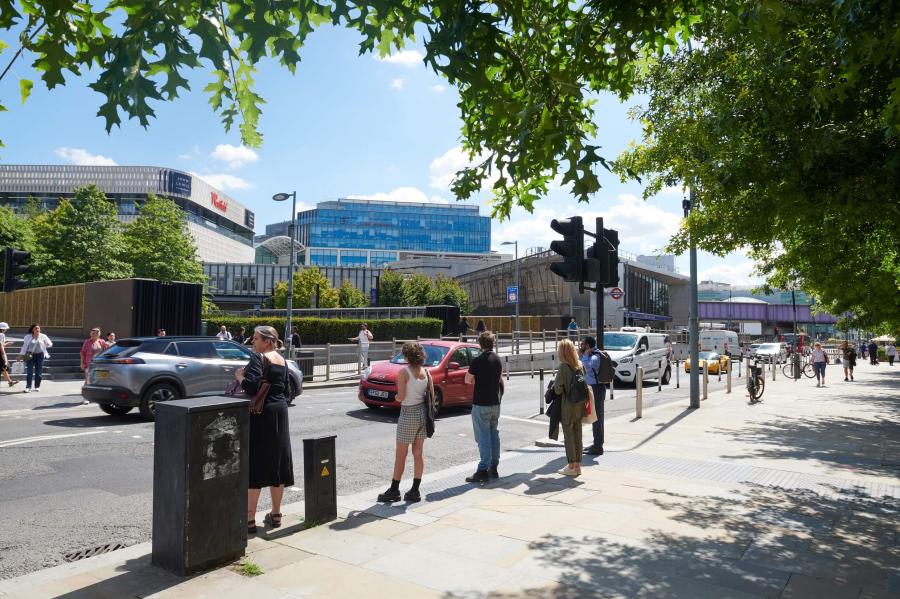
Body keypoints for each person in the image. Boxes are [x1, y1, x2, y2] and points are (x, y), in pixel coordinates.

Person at [235, 326, 294, 534]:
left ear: (268, 341)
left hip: (261, 414)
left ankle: (249, 519)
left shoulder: (258, 358)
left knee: (256, 463)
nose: (253, 342)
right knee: (277, 461)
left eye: (257, 338)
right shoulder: (283, 360)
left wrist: (240, 376)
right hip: (280, 411)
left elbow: (250, 387)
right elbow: (287, 390)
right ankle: (276, 513)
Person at [377, 342, 433, 503]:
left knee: (401, 454)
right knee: (418, 453)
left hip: (408, 413)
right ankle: (415, 490)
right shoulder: (427, 372)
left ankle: (394, 490)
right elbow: (431, 395)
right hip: (422, 413)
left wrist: (395, 397)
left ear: (407, 356)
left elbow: (401, 396)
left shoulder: (404, 372)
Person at [464, 331, 504, 483]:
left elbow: (468, 379)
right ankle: (493, 467)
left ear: (480, 344)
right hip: (495, 402)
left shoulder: (478, 360)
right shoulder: (497, 359)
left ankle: (482, 469)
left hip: (481, 403)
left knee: (484, 437)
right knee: (494, 434)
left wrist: (477, 380)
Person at [553, 339, 588, 477]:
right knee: (578, 436)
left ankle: (572, 466)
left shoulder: (563, 367)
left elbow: (557, 389)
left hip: (567, 406)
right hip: (579, 405)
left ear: (562, 352)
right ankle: (578, 466)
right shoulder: (580, 365)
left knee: (568, 436)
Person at [580, 336, 606, 456]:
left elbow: (588, 367)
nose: (581, 346)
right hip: (593, 388)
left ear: (588, 346)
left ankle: (598, 447)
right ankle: (597, 443)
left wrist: (585, 355)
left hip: (597, 389)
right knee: (595, 417)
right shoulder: (591, 355)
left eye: (583, 344)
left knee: (597, 418)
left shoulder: (595, 357)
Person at [18, 323, 53, 393]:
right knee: (29, 372)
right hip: (29, 355)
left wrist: (46, 343)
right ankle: (28, 387)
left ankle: (37, 386)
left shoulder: (43, 336)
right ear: (32, 330)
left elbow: (50, 344)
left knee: (38, 372)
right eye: (35, 328)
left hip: (40, 355)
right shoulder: (27, 337)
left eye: (38, 328)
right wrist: (21, 355)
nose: (37, 330)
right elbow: (24, 347)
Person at [0, 322, 18, 388]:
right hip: (0, 353)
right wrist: (7, 344)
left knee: (3, 369)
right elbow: (1, 346)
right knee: (4, 367)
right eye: (6, 329)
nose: (6, 330)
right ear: (2, 329)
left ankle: (10, 382)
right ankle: (10, 382)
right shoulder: (2, 335)